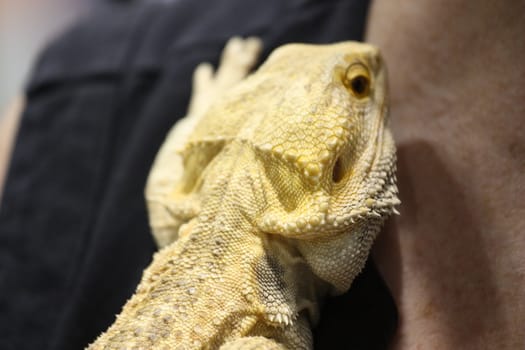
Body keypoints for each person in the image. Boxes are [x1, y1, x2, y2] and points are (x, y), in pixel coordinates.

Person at [1, 1, 398, 349]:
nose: (372, 59)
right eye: (359, 85)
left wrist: (200, 121)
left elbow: (164, 195)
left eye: (355, 84)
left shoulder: (182, 226)